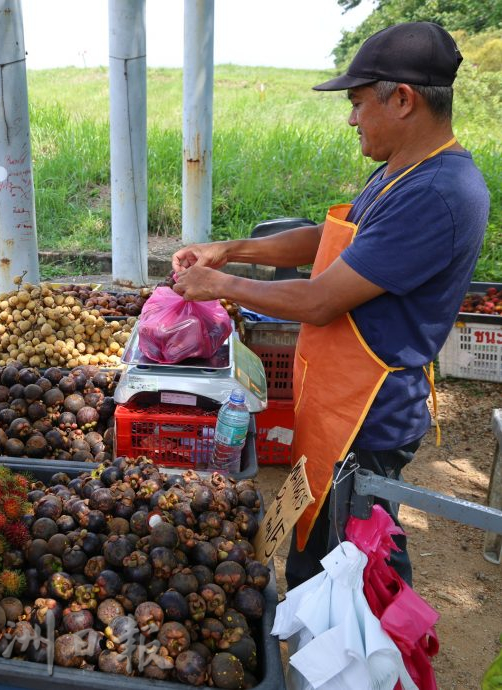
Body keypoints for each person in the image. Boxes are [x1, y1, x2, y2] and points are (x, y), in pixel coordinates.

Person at [171, 22, 489, 588]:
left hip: (367, 417)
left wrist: (222, 285)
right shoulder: (401, 172)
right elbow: (327, 238)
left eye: (358, 103)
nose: (351, 119)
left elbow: (318, 300)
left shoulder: (438, 194)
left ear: (403, 99)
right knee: (314, 554)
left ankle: (382, 668)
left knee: (360, 575)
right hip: (335, 403)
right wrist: (231, 250)